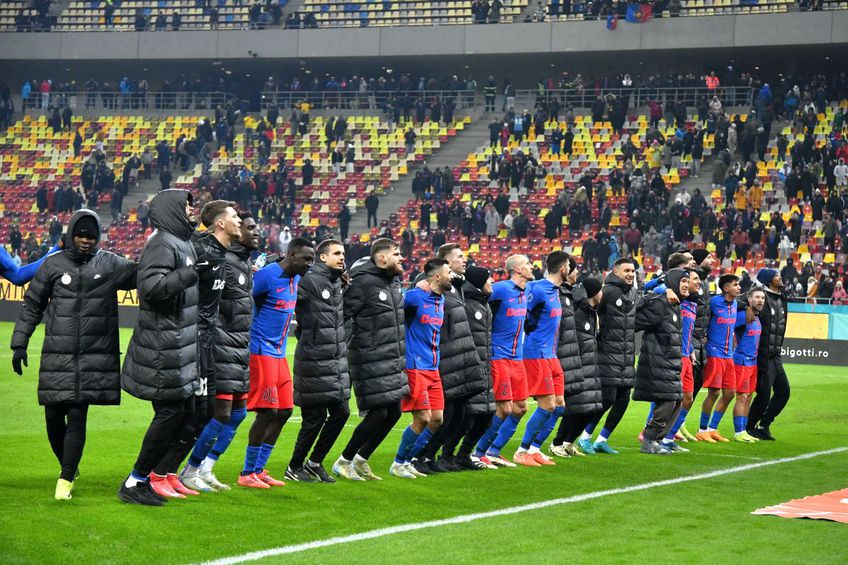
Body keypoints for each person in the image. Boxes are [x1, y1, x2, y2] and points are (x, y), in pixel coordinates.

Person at [11, 210, 136, 501]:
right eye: (81, 235)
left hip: (93, 357)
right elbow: (32, 305)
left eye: (91, 237)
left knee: (78, 416)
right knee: (53, 418)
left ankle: (65, 479)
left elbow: (144, 273)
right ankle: (69, 466)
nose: (86, 241)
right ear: (70, 235)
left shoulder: (110, 263)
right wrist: (19, 343)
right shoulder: (53, 265)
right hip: (58, 355)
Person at [120, 189, 200, 506]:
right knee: (171, 413)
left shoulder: (181, 242)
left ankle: (145, 478)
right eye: (188, 204)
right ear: (172, 209)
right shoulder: (162, 243)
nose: (193, 208)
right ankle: (134, 481)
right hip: (161, 348)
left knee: (181, 413)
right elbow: (151, 289)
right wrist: (192, 272)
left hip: (176, 347)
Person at [170, 202, 244, 494]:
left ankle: (171, 473)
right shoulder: (199, 250)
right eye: (235, 216)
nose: (239, 220)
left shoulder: (220, 254)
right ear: (220, 223)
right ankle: (157, 473)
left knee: (204, 412)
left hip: (207, 343)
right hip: (192, 342)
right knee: (187, 412)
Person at [238, 237, 315, 489]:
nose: (309, 264)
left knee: (284, 411)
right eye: (306, 259)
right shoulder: (267, 276)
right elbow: (243, 301)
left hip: (279, 353)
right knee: (267, 411)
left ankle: (259, 468)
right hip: (261, 351)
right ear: (291, 255)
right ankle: (247, 472)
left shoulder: (296, 277)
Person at [332, 238, 406, 481]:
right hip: (368, 358)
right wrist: (355, 344)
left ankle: (361, 460)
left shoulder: (393, 283)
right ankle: (344, 461)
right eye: (396, 254)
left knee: (394, 412)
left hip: (392, 358)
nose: (401, 258)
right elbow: (342, 315)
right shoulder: (363, 282)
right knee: (378, 414)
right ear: (382, 257)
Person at [195, 212, 259, 481]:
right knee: (220, 413)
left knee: (239, 413)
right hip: (220, 348)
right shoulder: (225, 263)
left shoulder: (244, 265)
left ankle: (207, 468)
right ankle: (190, 469)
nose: (256, 231)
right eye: (250, 227)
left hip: (240, 349)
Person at [284, 240, 350, 483]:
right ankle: (294, 466)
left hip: (334, 362)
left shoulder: (337, 283)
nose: (342, 257)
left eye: (343, 253)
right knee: (314, 419)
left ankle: (314, 463)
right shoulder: (308, 281)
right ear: (322, 257)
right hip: (312, 361)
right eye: (337, 253)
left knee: (342, 412)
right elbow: (288, 292)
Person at [414, 244, 483, 474]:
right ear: (445, 263)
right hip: (443, 359)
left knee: (462, 415)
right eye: (459, 257)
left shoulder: (457, 286)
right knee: (446, 414)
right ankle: (420, 455)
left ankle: (438, 456)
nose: (464, 260)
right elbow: (420, 289)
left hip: (461, 358)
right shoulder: (429, 285)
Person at [390, 258, 452, 479]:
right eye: (448, 272)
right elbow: (395, 311)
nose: (451, 275)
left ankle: (409, 460)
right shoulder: (415, 297)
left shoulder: (441, 299)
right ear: (437, 276)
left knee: (437, 419)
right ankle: (399, 462)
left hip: (433, 367)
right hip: (415, 366)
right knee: (423, 418)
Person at [579, 258, 649, 454]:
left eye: (633, 271)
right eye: (626, 270)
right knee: (607, 398)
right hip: (607, 354)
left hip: (626, 357)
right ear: (615, 271)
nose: (630, 274)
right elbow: (590, 311)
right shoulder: (607, 292)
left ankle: (602, 440)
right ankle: (585, 436)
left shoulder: (633, 293)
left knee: (623, 400)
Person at [472, 254, 534, 468]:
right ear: (517, 269)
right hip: (499, 355)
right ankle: (478, 452)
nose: (531, 266)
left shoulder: (526, 293)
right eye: (527, 263)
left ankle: (494, 451)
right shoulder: (500, 289)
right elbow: (477, 306)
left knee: (520, 408)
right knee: (504, 408)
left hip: (517, 358)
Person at [514, 251, 570, 466]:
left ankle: (535, 448)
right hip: (536, 353)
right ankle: (522, 451)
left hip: (551, 354)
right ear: (563, 268)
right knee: (547, 405)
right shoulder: (536, 288)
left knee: (559, 405)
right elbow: (521, 313)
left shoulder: (555, 291)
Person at [634, 269, 689, 455]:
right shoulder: (660, 304)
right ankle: (649, 440)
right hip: (656, 363)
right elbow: (632, 320)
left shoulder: (674, 305)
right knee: (666, 401)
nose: (686, 285)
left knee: (677, 400)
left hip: (669, 363)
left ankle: (657, 440)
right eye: (683, 281)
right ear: (673, 282)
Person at [551, 277, 604, 455]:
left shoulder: (591, 312)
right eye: (600, 290)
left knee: (588, 409)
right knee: (575, 408)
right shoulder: (579, 314)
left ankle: (568, 442)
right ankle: (556, 443)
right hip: (579, 366)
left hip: (590, 366)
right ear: (594, 293)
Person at [454, 265, 496, 470]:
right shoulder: (466, 303)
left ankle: (464, 454)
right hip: (470, 366)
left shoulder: (484, 304)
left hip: (486, 365)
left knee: (487, 415)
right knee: (467, 416)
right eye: (489, 278)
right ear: (480, 282)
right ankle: (442, 455)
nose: (493, 282)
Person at [697, 274, 745, 443]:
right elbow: (702, 317)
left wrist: (751, 309)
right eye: (735, 284)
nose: (739, 287)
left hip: (729, 355)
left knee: (730, 393)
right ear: (726, 288)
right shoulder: (714, 302)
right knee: (714, 392)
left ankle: (712, 428)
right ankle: (702, 429)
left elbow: (747, 304)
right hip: (715, 353)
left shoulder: (736, 304)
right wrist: (701, 336)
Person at [746, 269, 789, 440]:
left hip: (776, 354)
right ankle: (749, 427)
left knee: (784, 392)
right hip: (763, 355)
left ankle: (764, 424)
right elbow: (741, 298)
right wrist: (747, 307)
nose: (780, 278)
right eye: (776, 276)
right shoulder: (760, 296)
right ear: (768, 280)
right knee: (764, 394)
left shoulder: (782, 297)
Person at [732, 287, 765, 443]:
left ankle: (744, 430)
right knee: (742, 396)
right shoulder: (743, 315)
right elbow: (727, 326)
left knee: (749, 396)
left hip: (753, 362)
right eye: (757, 297)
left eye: (762, 298)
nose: (760, 300)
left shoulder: (757, 317)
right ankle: (738, 432)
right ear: (749, 300)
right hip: (742, 361)